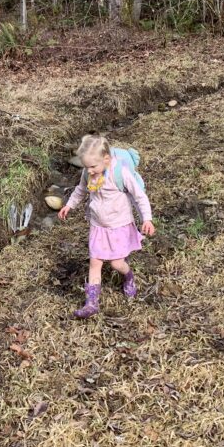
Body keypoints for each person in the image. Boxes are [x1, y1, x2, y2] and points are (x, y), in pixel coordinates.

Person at [58, 134, 155, 318]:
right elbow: (80, 190)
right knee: (95, 262)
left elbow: (139, 196)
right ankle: (91, 303)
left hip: (119, 225)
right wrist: (69, 205)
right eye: (86, 167)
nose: (90, 171)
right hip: (98, 226)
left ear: (106, 159)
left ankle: (128, 276)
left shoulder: (119, 173)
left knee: (117, 263)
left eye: (93, 167)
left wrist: (147, 219)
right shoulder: (88, 173)